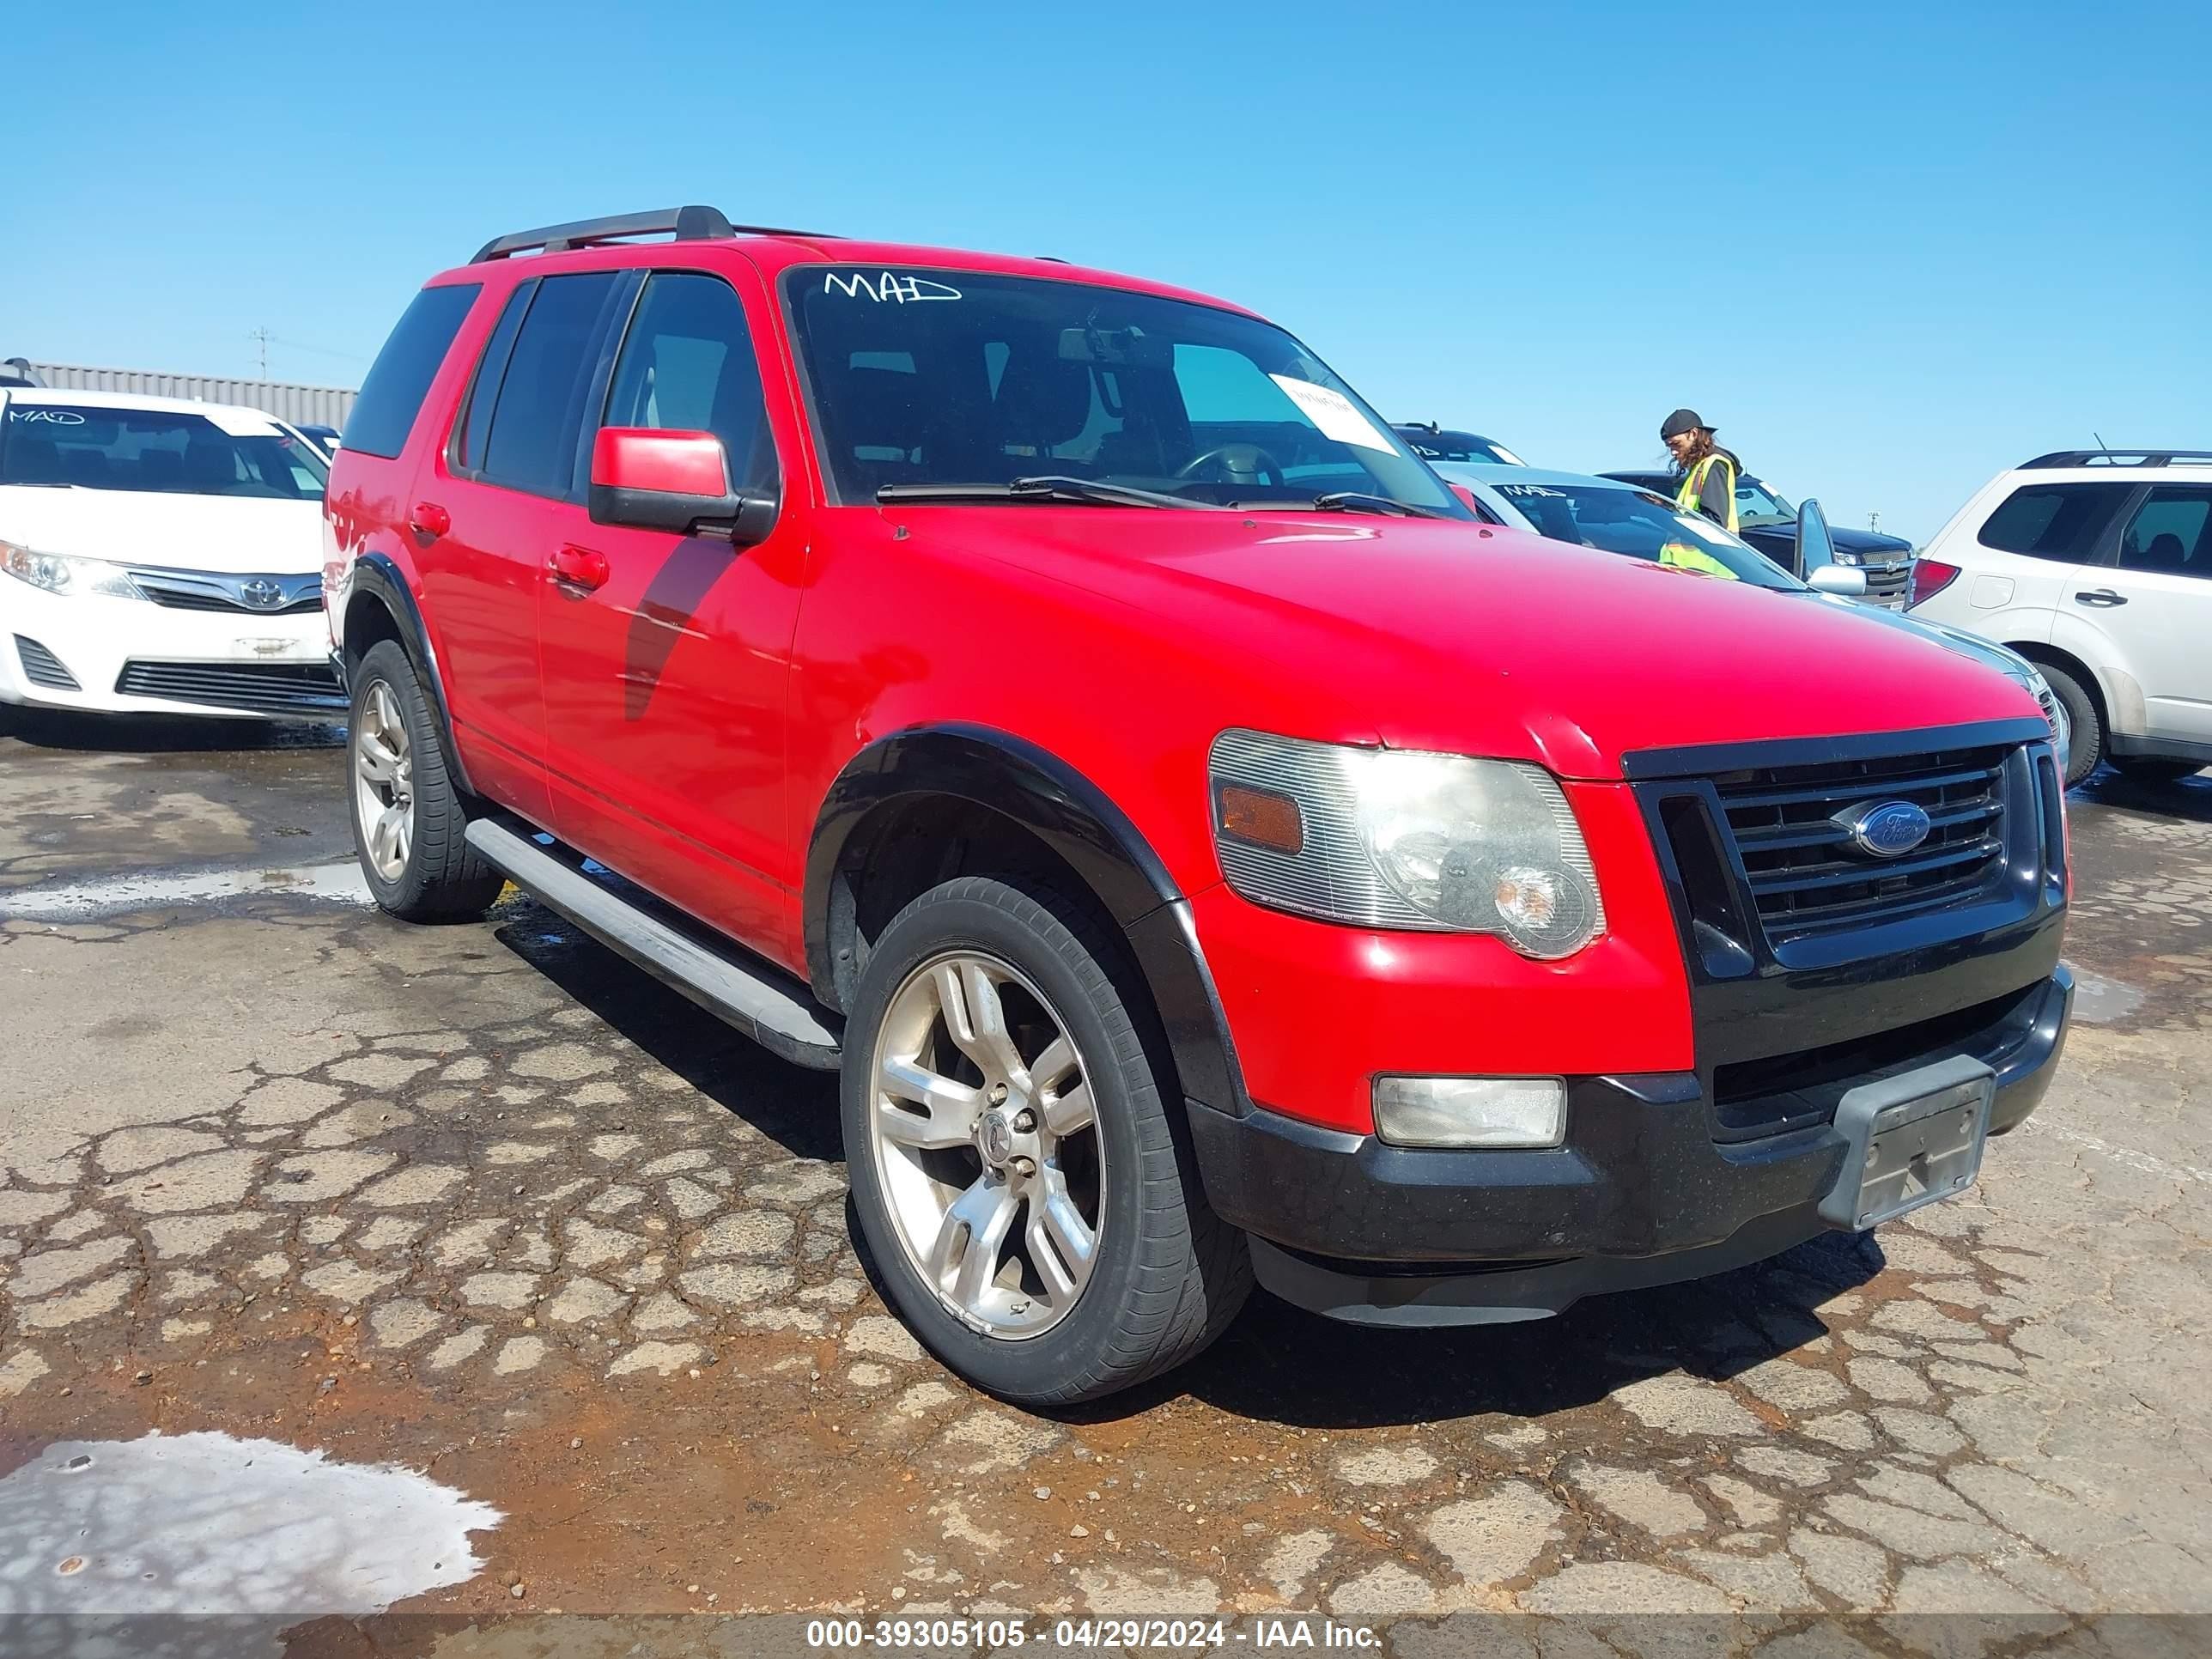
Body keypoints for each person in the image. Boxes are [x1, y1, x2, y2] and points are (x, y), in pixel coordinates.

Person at [1660, 408, 1741, 532]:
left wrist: (1669, 519)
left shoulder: (1714, 464)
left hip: (1707, 550)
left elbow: (1714, 521)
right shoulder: (1699, 466)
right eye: (1669, 446)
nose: (1673, 452)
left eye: (1677, 444)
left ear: (1693, 434)